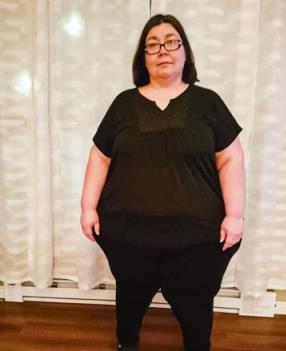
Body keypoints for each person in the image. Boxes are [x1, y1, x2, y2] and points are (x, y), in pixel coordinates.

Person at [80, 14, 245, 351]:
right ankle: (127, 345)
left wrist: (235, 215)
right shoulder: (124, 103)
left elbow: (230, 159)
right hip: (129, 236)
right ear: (143, 57)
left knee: (196, 308)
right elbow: (100, 156)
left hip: (195, 239)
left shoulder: (208, 102)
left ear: (185, 51)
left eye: (172, 42)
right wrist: (87, 207)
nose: (163, 50)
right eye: (152, 45)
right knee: (129, 300)